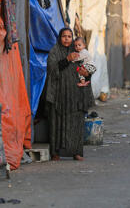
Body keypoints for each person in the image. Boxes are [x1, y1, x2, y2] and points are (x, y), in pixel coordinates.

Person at [43, 28, 95, 161]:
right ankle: (55, 153)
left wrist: (87, 74)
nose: (66, 39)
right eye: (64, 36)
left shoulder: (79, 51)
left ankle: (77, 152)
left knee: (76, 123)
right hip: (59, 95)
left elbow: (87, 66)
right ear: (59, 38)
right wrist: (67, 59)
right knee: (57, 123)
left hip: (76, 95)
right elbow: (52, 69)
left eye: (69, 36)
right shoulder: (54, 51)